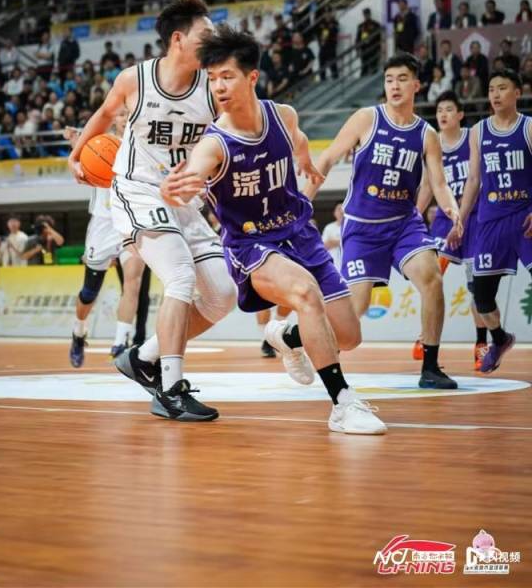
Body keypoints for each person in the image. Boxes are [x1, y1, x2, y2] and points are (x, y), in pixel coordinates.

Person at [160, 25, 385, 434]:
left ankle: (287, 336)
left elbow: (298, 138)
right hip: (252, 245)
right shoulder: (214, 144)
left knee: (349, 335)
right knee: (304, 293)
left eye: (227, 76)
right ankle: (343, 404)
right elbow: (192, 176)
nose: (218, 86)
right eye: (212, 78)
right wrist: (176, 191)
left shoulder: (283, 116)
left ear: (252, 77)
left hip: (299, 233)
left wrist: (306, 161)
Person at [68, 0, 236, 422]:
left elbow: (226, 141)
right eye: (205, 34)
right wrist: (77, 154)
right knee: (179, 275)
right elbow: (104, 114)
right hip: (138, 190)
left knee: (222, 295)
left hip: (182, 197)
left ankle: (142, 358)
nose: (213, 40)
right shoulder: (135, 80)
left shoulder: (211, 87)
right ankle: (170, 389)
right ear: (178, 39)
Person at [315, 53, 461, 389]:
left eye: (402, 79)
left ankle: (430, 367)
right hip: (362, 226)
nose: (394, 85)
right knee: (355, 310)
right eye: (389, 79)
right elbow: (328, 157)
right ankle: (301, 338)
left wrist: (452, 208)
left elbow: (439, 184)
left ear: (417, 85)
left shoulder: (426, 134)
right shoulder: (366, 118)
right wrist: (303, 199)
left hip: (403, 223)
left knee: (431, 277)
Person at [447, 69, 532, 373]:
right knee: (481, 295)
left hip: (525, 217)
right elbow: (473, 179)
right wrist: (460, 219)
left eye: (502, 88)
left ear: (517, 93)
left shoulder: (528, 127)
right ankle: (499, 339)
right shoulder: (478, 131)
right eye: (492, 89)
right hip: (491, 220)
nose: (495, 94)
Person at [63, 115, 148, 367]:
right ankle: (79, 332)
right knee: (89, 292)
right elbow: (81, 153)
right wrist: (75, 141)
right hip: (103, 224)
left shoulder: (145, 143)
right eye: (121, 114)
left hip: (132, 221)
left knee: (133, 283)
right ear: (114, 119)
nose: (125, 118)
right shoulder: (102, 142)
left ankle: (121, 343)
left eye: (129, 113)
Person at [415, 91, 487, 369]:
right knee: (430, 277)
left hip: (475, 218)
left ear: (460, 114)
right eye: (439, 110)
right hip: (445, 219)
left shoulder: (473, 138)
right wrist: (413, 214)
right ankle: (425, 337)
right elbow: (426, 186)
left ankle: (481, 344)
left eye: (448, 109)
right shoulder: (432, 142)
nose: (443, 114)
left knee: (477, 287)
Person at [355, 9, 382, 75]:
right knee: (364, 67)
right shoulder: (361, 26)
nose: (366, 16)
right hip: (364, 49)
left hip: (373, 49)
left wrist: (379, 49)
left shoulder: (376, 24)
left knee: (374, 67)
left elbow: (379, 38)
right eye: (365, 14)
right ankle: (363, 80)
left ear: (370, 14)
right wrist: (357, 49)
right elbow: (358, 39)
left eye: (367, 14)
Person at [321, 204, 344, 272]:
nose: (341, 211)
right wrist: (343, 241)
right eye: (339, 209)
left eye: (343, 209)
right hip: (333, 265)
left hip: (347, 264)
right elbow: (323, 246)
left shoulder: (351, 227)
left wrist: (333, 242)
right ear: (334, 213)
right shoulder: (329, 227)